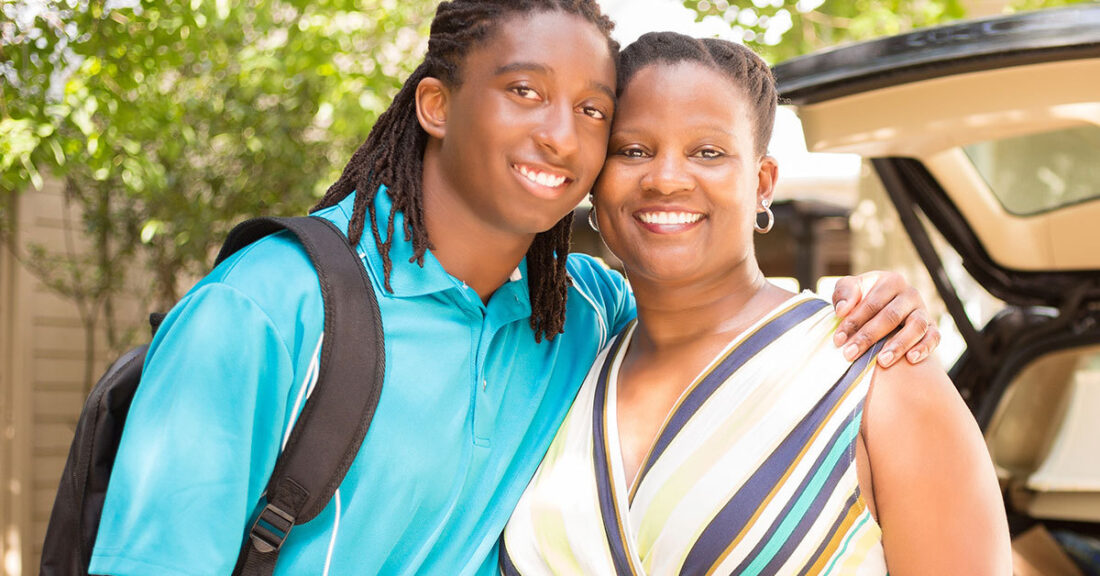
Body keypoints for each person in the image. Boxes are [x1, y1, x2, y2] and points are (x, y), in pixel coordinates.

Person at [89, 4, 938, 575]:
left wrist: (872, 303)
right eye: (524, 91)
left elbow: (708, 309)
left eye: (594, 110)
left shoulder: (582, 317)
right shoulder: (268, 310)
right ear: (434, 103)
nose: (560, 135)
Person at [501, 32, 1010, 575]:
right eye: (632, 150)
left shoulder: (873, 366)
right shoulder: (566, 359)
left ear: (762, 182)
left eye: (708, 152)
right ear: (595, 183)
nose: (666, 178)